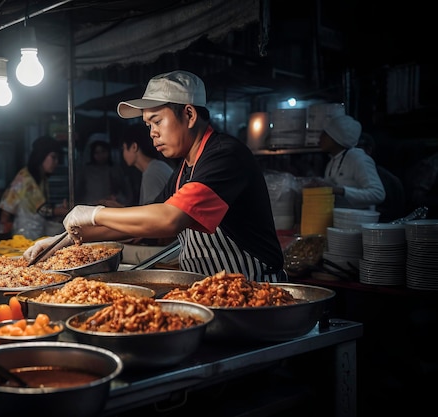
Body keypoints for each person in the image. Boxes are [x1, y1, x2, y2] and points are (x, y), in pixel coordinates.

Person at [26, 70, 286, 282]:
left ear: (189, 114)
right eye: (148, 125)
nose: (152, 133)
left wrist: (94, 213)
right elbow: (141, 224)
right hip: (210, 292)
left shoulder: (225, 156)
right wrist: (66, 240)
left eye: (157, 121)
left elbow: (169, 219)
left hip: (255, 292)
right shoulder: (183, 171)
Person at [0, 135, 69, 239]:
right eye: (53, 157)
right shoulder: (25, 177)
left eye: (58, 158)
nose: (56, 162)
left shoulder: (42, 179)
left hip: (36, 234)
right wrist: (65, 211)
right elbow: (42, 209)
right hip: (23, 236)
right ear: (41, 156)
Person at [318, 115, 385, 211]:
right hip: (341, 221)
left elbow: (378, 194)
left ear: (336, 138)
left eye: (325, 134)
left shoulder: (358, 159)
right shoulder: (332, 161)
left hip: (359, 222)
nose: (320, 138)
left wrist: (341, 190)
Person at [356, 132, 406, 222]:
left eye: (356, 150)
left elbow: (396, 213)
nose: (351, 155)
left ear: (368, 150)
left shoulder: (389, 180)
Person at [75, 138, 133, 206]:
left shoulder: (115, 169)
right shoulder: (85, 171)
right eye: (97, 153)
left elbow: (126, 191)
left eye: (103, 151)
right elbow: (78, 192)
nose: (100, 155)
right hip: (89, 207)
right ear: (92, 154)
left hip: (110, 208)